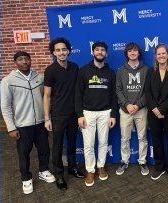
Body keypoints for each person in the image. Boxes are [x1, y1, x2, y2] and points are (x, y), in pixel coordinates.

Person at [0, 51, 56, 194]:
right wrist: (11, 127)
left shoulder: (40, 78)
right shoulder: (8, 81)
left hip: (41, 123)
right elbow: (5, 106)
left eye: (26, 59)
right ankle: (26, 178)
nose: (24, 61)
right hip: (23, 125)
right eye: (20, 59)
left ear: (30, 61)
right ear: (15, 62)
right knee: (24, 153)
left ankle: (43, 171)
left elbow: (47, 98)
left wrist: (48, 118)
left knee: (44, 149)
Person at [43, 37, 85, 191]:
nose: (61, 52)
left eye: (64, 49)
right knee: (58, 147)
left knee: (73, 143)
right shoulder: (50, 70)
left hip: (73, 114)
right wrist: (47, 118)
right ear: (54, 52)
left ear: (68, 51)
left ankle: (72, 168)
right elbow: (46, 96)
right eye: (58, 50)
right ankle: (59, 175)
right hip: (57, 115)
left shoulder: (75, 67)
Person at [75, 41, 117, 187]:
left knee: (103, 142)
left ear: (106, 53)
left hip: (105, 112)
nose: (100, 52)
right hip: (88, 113)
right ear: (92, 52)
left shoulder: (111, 73)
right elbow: (78, 95)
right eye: (97, 50)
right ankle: (90, 170)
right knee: (88, 144)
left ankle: (101, 166)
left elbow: (113, 96)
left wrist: (113, 115)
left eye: (103, 50)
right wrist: (80, 114)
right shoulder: (83, 71)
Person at [145, 43, 168, 184]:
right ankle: (159, 167)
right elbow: (147, 92)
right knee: (157, 141)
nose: (161, 56)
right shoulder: (150, 71)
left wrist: (162, 109)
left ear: (167, 55)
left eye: (163, 53)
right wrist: (154, 108)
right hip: (153, 113)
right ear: (155, 56)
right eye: (158, 54)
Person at [115, 42, 149, 176]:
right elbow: (118, 90)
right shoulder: (121, 70)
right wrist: (126, 104)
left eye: (135, 50)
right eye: (130, 51)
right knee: (124, 138)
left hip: (141, 109)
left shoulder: (146, 70)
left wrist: (138, 105)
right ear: (127, 53)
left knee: (142, 137)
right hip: (125, 110)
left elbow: (148, 91)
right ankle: (124, 160)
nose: (133, 53)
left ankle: (142, 161)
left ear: (139, 53)